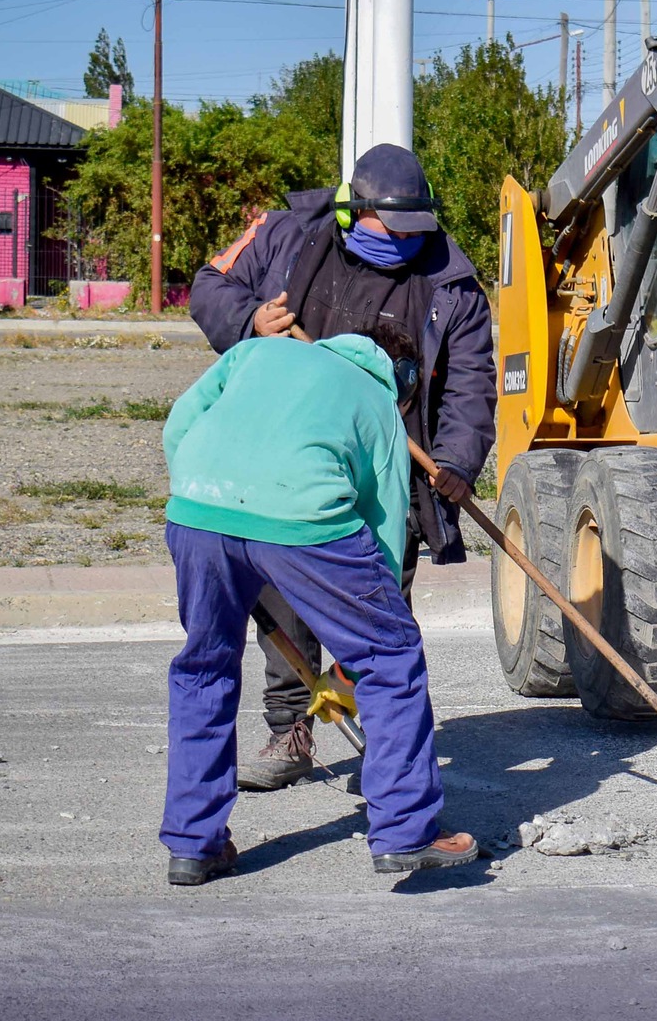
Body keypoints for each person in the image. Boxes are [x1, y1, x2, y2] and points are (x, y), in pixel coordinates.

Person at [191, 143, 495, 792]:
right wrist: (249, 320)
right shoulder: (285, 236)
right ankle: (290, 727)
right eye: (397, 231)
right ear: (354, 211)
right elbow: (209, 285)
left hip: (389, 466)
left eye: (421, 230)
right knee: (285, 592)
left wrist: (459, 461)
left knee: (378, 607)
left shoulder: (451, 283)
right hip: (292, 453)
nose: (412, 243)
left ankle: (383, 752)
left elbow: (471, 381)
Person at [159, 319, 479, 884]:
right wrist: (361, 650)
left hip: (196, 511)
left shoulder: (258, 352)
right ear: (402, 378)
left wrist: (220, 517)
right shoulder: (380, 401)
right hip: (302, 518)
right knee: (391, 656)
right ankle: (406, 831)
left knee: (203, 668)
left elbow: (180, 426)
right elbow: (381, 532)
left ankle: (194, 843)